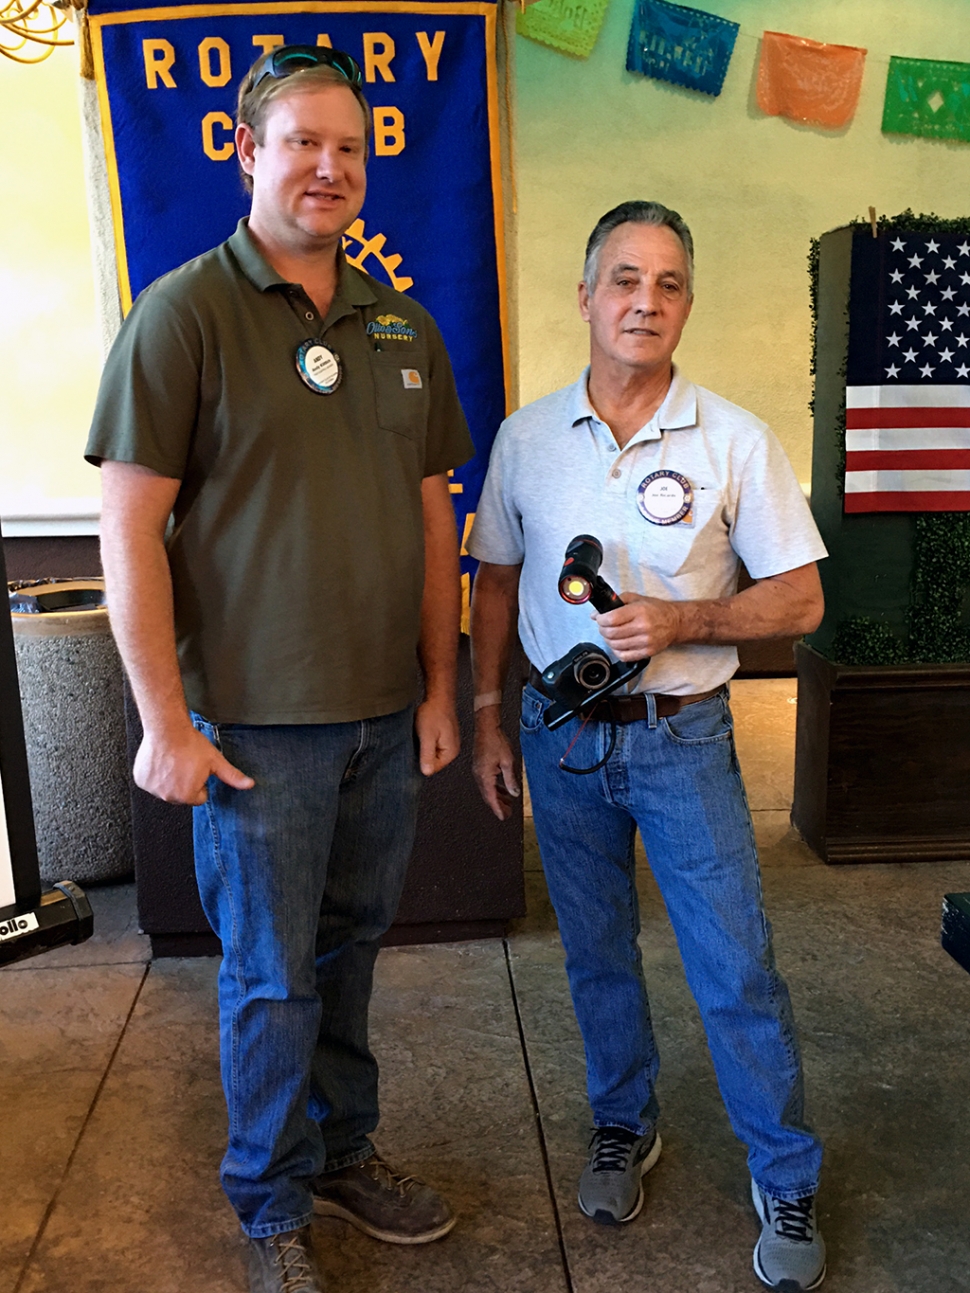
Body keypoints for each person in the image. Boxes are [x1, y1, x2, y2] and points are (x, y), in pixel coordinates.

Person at [86, 45, 473, 1293]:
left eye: (349, 147)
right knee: (267, 975)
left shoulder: (402, 326)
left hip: (379, 721)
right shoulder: (184, 314)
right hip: (255, 731)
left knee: (352, 952)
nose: (328, 166)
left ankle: (343, 1156)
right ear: (245, 154)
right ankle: (269, 1203)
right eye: (301, 141)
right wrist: (163, 721)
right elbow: (127, 528)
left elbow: (431, 520)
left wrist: (435, 687)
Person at [468, 201, 828, 1292]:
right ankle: (624, 1123)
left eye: (668, 284)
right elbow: (492, 577)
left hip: (683, 738)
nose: (644, 301)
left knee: (735, 969)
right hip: (560, 739)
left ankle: (785, 1173)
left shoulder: (733, 439)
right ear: (584, 297)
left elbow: (801, 599)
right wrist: (489, 715)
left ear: (685, 305)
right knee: (594, 958)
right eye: (623, 279)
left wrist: (683, 621)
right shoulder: (527, 437)